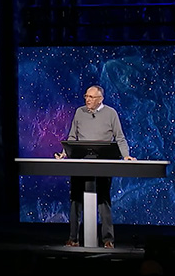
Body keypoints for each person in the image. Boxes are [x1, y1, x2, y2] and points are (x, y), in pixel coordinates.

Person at [54, 84, 136, 249]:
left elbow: (120, 137)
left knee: (103, 200)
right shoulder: (79, 112)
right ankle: (73, 238)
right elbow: (72, 137)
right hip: (80, 163)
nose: (87, 100)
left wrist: (126, 155)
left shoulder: (111, 113)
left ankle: (107, 240)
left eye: (91, 97)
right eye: (86, 96)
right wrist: (64, 153)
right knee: (76, 200)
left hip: (103, 164)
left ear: (100, 99)